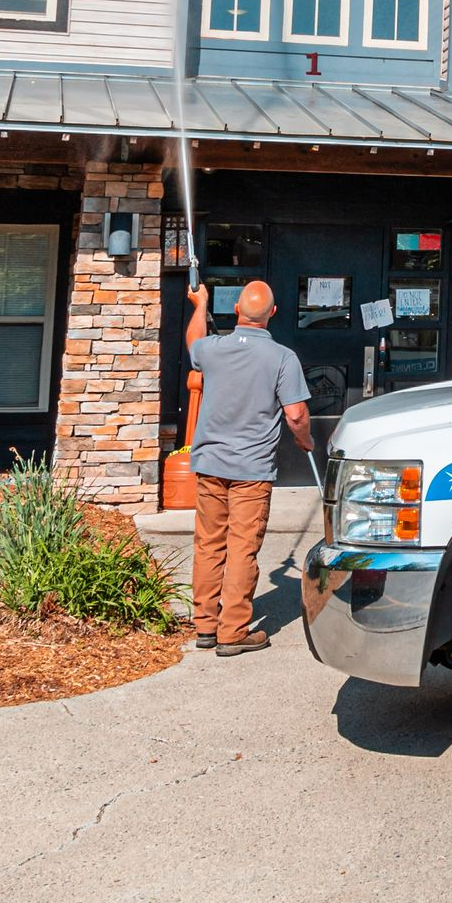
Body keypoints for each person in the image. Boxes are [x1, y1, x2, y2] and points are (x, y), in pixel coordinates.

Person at [183, 281, 313, 656]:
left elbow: (194, 344)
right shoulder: (282, 357)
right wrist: (306, 440)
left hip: (210, 464)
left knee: (208, 544)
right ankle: (233, 632)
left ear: (237, 308)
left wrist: (200, 304)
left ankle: (205, 626)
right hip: (251, 470)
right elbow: (296, 413)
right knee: (242, 548)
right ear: (273, 313)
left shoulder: (213, 348)